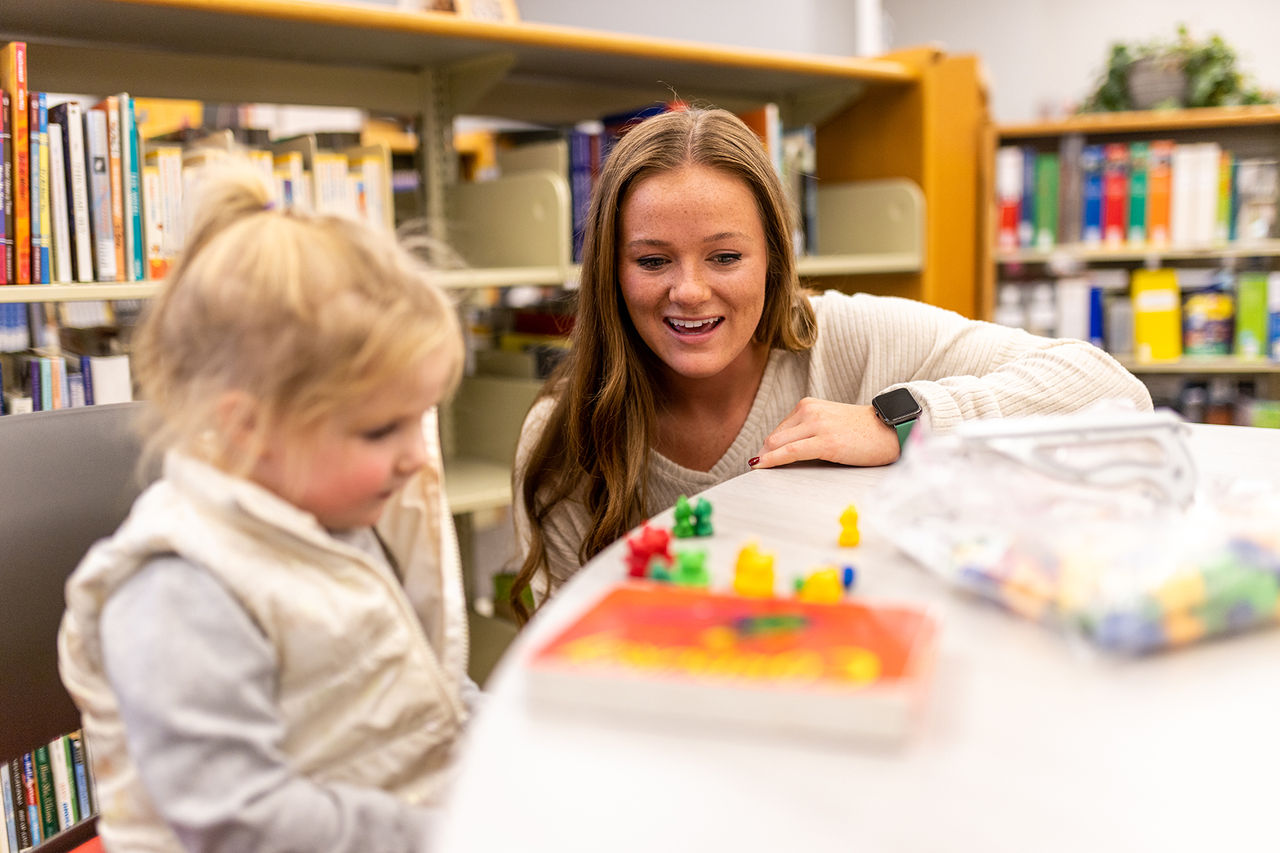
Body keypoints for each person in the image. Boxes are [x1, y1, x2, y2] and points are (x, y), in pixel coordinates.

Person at [509, 107, 1152, 619]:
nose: (690, 291)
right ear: (610, 273)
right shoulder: (562, 437)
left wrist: (901, 421)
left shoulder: (848, 335)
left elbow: (1111, 389)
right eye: (652, 261)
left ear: (774, 259)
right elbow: (570, 663)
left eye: (726, 257)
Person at [58, 161, 475, 852]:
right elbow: (241, 823)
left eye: (419, 421)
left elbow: (426, 684)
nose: (419, 458)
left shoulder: (339, 514)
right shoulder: (180, 588)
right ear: (248, 427)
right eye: (380, 430)